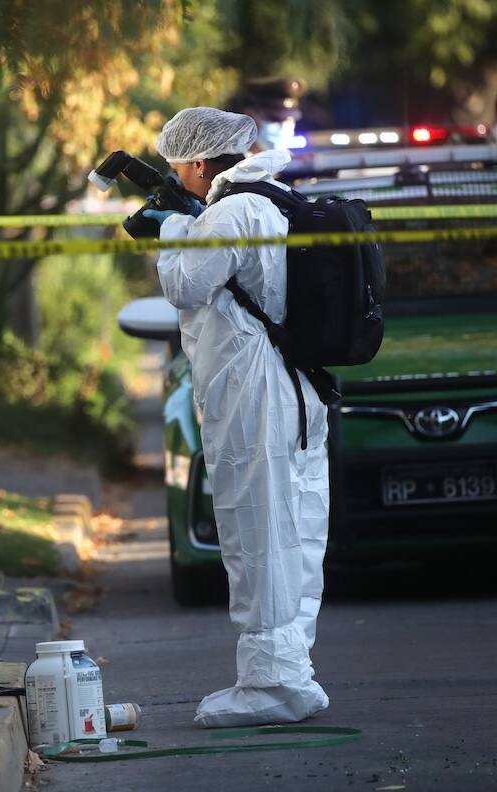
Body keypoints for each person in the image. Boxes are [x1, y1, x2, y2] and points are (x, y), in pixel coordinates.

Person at [144, 107, 331, 728]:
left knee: (257, 535)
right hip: (298, 389)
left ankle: (269, 685)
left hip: (254, 394)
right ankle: (291, 674)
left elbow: (185, 286)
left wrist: (171, 227)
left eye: (179, 169)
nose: (179, 179)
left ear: (199, 163)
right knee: (296, 531)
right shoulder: (277, 199)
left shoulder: (234, 212)